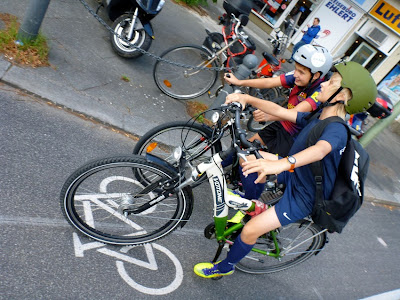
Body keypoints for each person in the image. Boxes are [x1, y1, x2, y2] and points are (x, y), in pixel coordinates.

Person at [193, 61, 377, 278]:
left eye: (331, 82)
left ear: (342, 96)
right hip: (296, 172)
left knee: (251, 230)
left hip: (304, 195)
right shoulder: (319, 115)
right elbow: (282, 112)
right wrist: (247, 98)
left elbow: (319, 151)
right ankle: (252, 206)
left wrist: (280, 164)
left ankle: (225, 267)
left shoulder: (337, 129)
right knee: (246, 156)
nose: (324, 84)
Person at [223, 44, 332, 200]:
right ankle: (216, 170)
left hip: (294, 139)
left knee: (254, 164)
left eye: (301, 72)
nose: (296, 74)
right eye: (296, 69)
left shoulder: (319, 92)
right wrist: (240, 82)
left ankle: (251, 203)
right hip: (281, 125)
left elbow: (294, 113)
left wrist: (269, 116)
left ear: (316, 75)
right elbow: (269, 82)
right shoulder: (298, 77)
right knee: (243, 145)